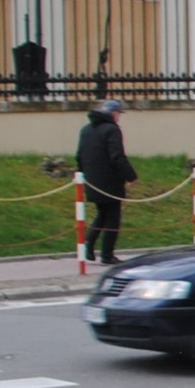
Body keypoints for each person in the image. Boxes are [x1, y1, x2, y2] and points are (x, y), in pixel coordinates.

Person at [76, 101, 138, 265]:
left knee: (102, 215)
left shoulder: (86, 130)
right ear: (113, 113)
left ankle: (88, 246)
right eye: (118, 113)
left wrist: (84, 174)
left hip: (92, 180)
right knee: (113, 218)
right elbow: (117, 156)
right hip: (110, 181)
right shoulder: (112, 130)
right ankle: (107, 254)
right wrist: (131, 176)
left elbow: (80, 155)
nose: (119, 117)